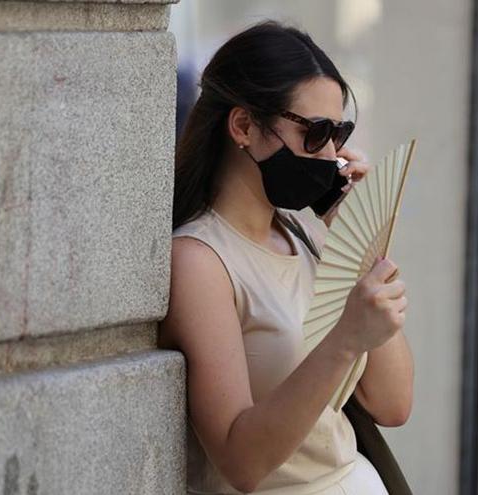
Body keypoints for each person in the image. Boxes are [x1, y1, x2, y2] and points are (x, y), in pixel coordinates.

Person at [158, 19, 413, 494]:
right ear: (243, 126)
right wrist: (344, 339)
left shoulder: (308, 239)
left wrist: (358, 242)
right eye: (316, 133)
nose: (332, 154)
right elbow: (241, 461)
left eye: (340, 133)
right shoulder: (200, 261)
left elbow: (393, 404)